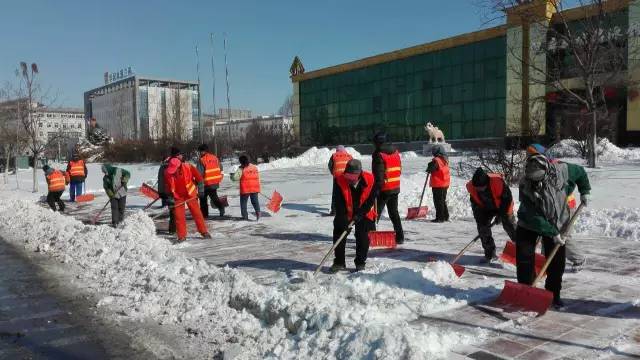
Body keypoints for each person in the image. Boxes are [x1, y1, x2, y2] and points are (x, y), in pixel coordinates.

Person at [516, 153, 591, 308]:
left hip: (557, 221)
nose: (535, 182)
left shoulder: (563, 171)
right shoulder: (525, 185)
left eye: (538, 179)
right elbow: (534, 216)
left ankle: (553, 294)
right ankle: (526, 291)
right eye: (533, 179)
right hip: (529, 223)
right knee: (524, 257)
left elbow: (581, 173)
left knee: (557, 262)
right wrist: (553, 233)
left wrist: (585, 191)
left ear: (546, 171)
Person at [526, 143, 592, 272]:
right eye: (527, 156)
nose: (528, 158)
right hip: (550, 207)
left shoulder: (559, 167)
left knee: (561, 236)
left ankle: (578, 258)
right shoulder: (534, 170)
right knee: (548, 233)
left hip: (565, 207)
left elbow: (580, 172)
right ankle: (549, 261)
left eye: (530, 155)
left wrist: (585, 192)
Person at [331, 159, 379, 272]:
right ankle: (339, 262)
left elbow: (370, 200)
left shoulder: (370, 179)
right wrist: (343, 220)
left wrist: (360, 214)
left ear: (359, 174)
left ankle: (360, 262)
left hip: (364, 211)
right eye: (347, 176)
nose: (349, 180)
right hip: (345, 211)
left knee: (363, 235)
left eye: (352, 177)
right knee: (339, 231)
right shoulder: (339, 180)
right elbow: (338, 202)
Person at [466, 167, 516, 262]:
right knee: (483, 228)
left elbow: (507, 200)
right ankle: (490, 253)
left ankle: (522, 249)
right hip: (485, 208)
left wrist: (501, 215)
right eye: (477, 188)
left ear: (486, 183)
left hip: (502, 205)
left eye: (481, 187)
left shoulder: (497, 183)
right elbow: (476, 207)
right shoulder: (472, 187)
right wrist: (481, 223)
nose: (480, 189)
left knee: (509, 224)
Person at [163, 150, 211, 242]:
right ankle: (181, 236)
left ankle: (204, 231)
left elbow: (200, 179)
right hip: (178, 196)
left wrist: (201, 191)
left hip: (190, 194)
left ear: (179, 166)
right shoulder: (167, 173)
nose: (173, 172)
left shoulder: (188, 167)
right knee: (179, 217)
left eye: (175, 169)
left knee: (197, 213)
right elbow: (168, 187)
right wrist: (169, 199)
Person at [371, 132, 404, 244]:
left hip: (384, 188)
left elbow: (379, 174)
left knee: (375, 213)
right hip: (395, 186)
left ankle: (371, 237)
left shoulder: (378, 154)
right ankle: (400, 237)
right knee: (394, 212)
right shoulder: (395, 152)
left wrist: (376, 189)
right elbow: (399, 169)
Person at [197, 144, 225, 218]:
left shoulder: (202, 160)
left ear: (203, 151)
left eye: (200, 151)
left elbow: (199, 173)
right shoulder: (214, 157)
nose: (199, 153)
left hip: (206, 183)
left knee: (203, 199)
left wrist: (196, 182)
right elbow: (221, 167)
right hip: (215, 182)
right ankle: (221, 207)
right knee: (214, 197)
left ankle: (204, 215)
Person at [231, 155, 261, 221]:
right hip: (255, 187)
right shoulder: (254, 167)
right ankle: (258, 212)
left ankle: (245, 216)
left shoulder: (241, 169)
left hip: (245, 188)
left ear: (241, 162)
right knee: (255, 201)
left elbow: (235, 178)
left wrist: (231, 175)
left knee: (243, 203)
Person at [426, 145, 450, 222]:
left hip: (438, 184)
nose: (432, 153)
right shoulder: (445, 159)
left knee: (438, 201)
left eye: (433, 151)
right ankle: (445, 216)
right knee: (442, 200)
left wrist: (429, 167)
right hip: (445, 183)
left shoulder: (436, 160)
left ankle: (440, 218)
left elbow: (431, 169)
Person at [328, 145, 353, 216]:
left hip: (337, 177)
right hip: (347, 178)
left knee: (335, 194)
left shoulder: (334, 155)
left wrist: (333, 173)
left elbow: (330, 165)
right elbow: (353, 165)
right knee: (347, 193)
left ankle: (334, 211)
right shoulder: (349, 156)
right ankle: (348, 210)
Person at [157, 150, 176, 234]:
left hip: (169, 192)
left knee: (173, 211)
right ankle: (174, 229)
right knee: (175, 211)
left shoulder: (163, 167)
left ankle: (173, 229)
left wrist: (161, 192)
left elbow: (160, 180)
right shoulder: (174, 165)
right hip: (174, 192)